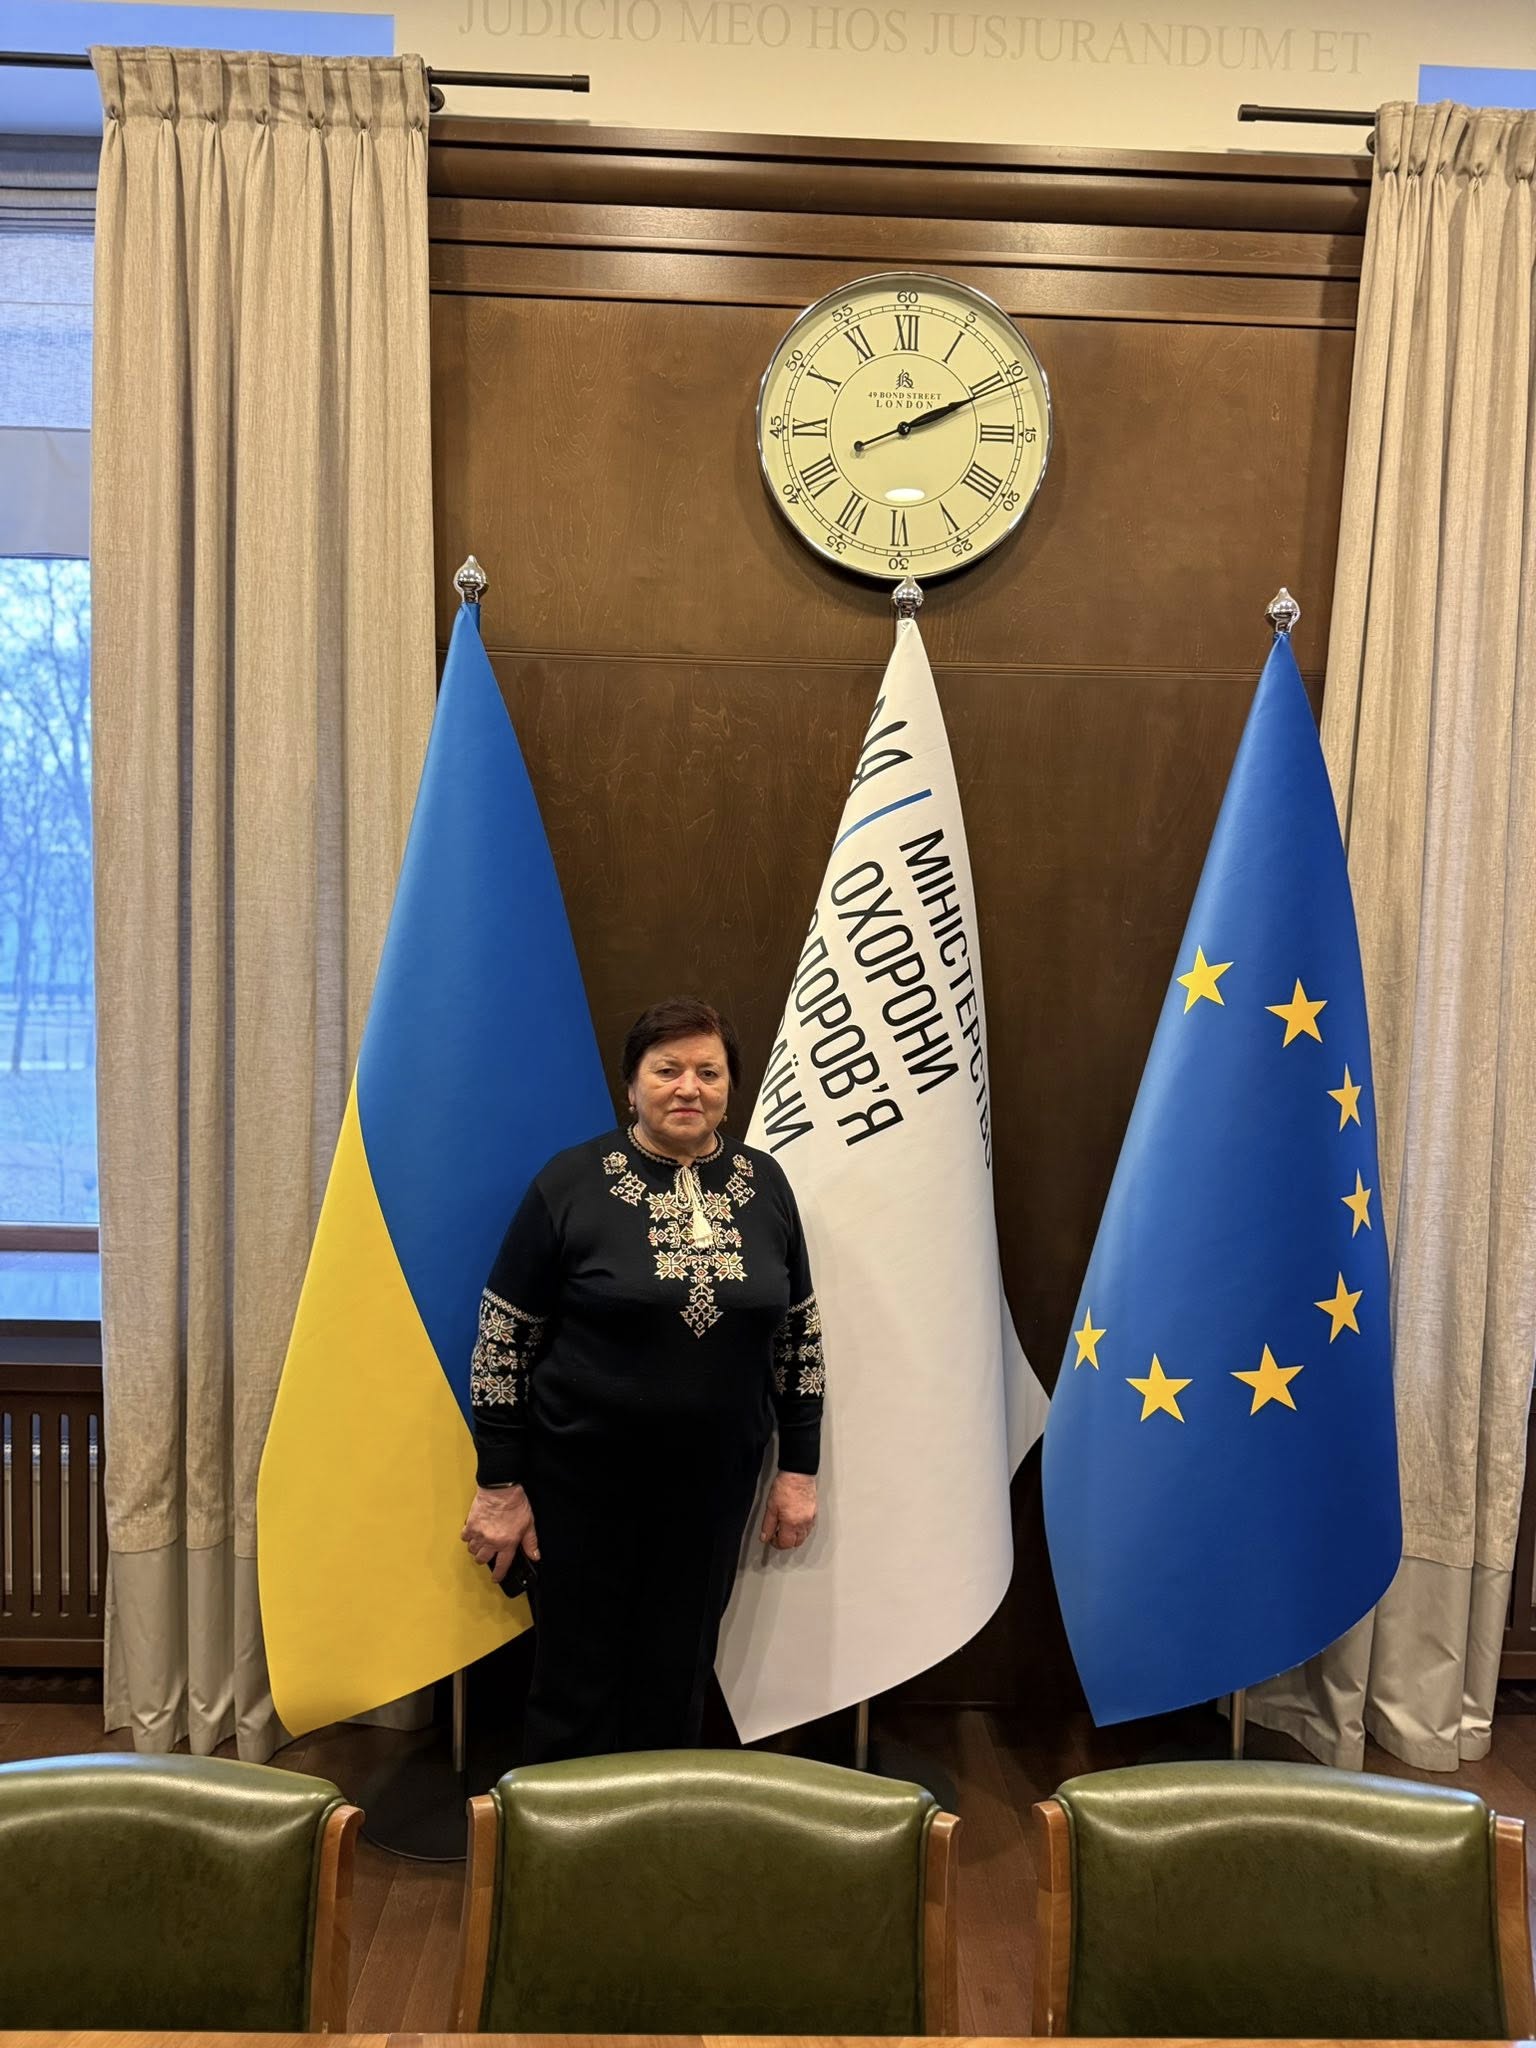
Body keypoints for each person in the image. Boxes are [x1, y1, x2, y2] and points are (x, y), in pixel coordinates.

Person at [459, 997, 824, 1762]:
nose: (689, 1087)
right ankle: (560, 1832)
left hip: (713, 1490)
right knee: (575, 1681)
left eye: (708, 1072)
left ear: (730, 1087)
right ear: (631, 1085)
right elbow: (502, 1341)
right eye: (667, 1070)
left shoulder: (766, 1184)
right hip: (580, 1488)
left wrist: (799, 1469)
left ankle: (658, 1830)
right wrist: (499, 1482)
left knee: (677, 1677)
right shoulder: (571, 1182)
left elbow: (798, 1339)